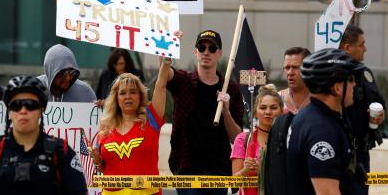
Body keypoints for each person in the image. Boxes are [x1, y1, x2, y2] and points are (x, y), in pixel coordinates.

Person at [0, 76, 87, 195]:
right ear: (9, 112)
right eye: (16, 105)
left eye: (30, 104)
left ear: (42, 110)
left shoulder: (61, 151)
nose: (23, 110)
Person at [163, 30, 244, 195]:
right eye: (202, 47)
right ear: (195, 51)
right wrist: (166, 48)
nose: (206, 52)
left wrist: (226, 113)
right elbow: (166, 73)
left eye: (212, 48)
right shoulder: (184, 81)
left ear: (219, 53)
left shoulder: (231, 90)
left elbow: (236, 138)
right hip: (186, 167)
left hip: (218, 170)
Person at [286, 48, 364, 195]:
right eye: (351, 80)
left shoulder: (311, 117)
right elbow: (327, 192)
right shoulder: (322, 130)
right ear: (337, 88)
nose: (354, 86)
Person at [89, 57, 171, 195]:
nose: (128, 96)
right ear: (116, 98)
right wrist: (97, 161)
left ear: (140, 96)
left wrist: (165, 64)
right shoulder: (105, 126)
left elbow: (161, 85)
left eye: (133, 92)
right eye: (122, 93)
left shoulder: (151, 119)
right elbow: (106, 168)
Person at [339, 24, 386, 194]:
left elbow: (379, 102)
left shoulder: (365, 73)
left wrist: (380, 115)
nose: (365, 49)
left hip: (362, 153)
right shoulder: (334, 75)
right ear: (347, 48)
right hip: (341, 150)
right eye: (361, 44)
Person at [231, 84, 283, 195]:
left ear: (282, 111)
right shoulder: (243, 139)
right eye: (263, 107)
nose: (268, 112)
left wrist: (263, 170)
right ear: (255, 112)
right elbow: (233, 184)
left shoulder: (288, 138)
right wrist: (246, 170)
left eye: (273, 108)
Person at [278, 47, 311, 114]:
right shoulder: (275, 99)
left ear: (308, 69)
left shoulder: (320, 100)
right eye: (287, 67)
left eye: (296, 67)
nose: (290, 72)